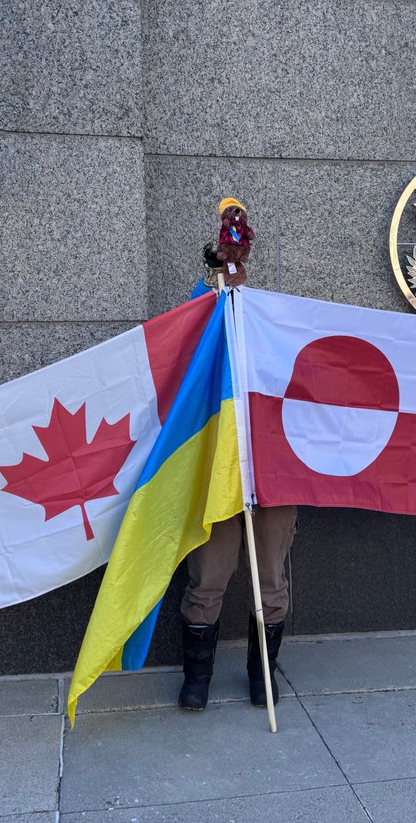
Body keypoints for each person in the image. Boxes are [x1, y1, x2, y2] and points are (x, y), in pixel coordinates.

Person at [178, 197, 298, 712]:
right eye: (224, 264)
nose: (233, 272)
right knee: (208, 577)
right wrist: (207, 293)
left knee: (270, 579)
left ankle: (261, 676)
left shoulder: (275, 322)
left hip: (275, 471)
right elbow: (182, 350)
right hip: (220, 472)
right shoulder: (203, 315)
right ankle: (197, 677)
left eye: (238, 264)